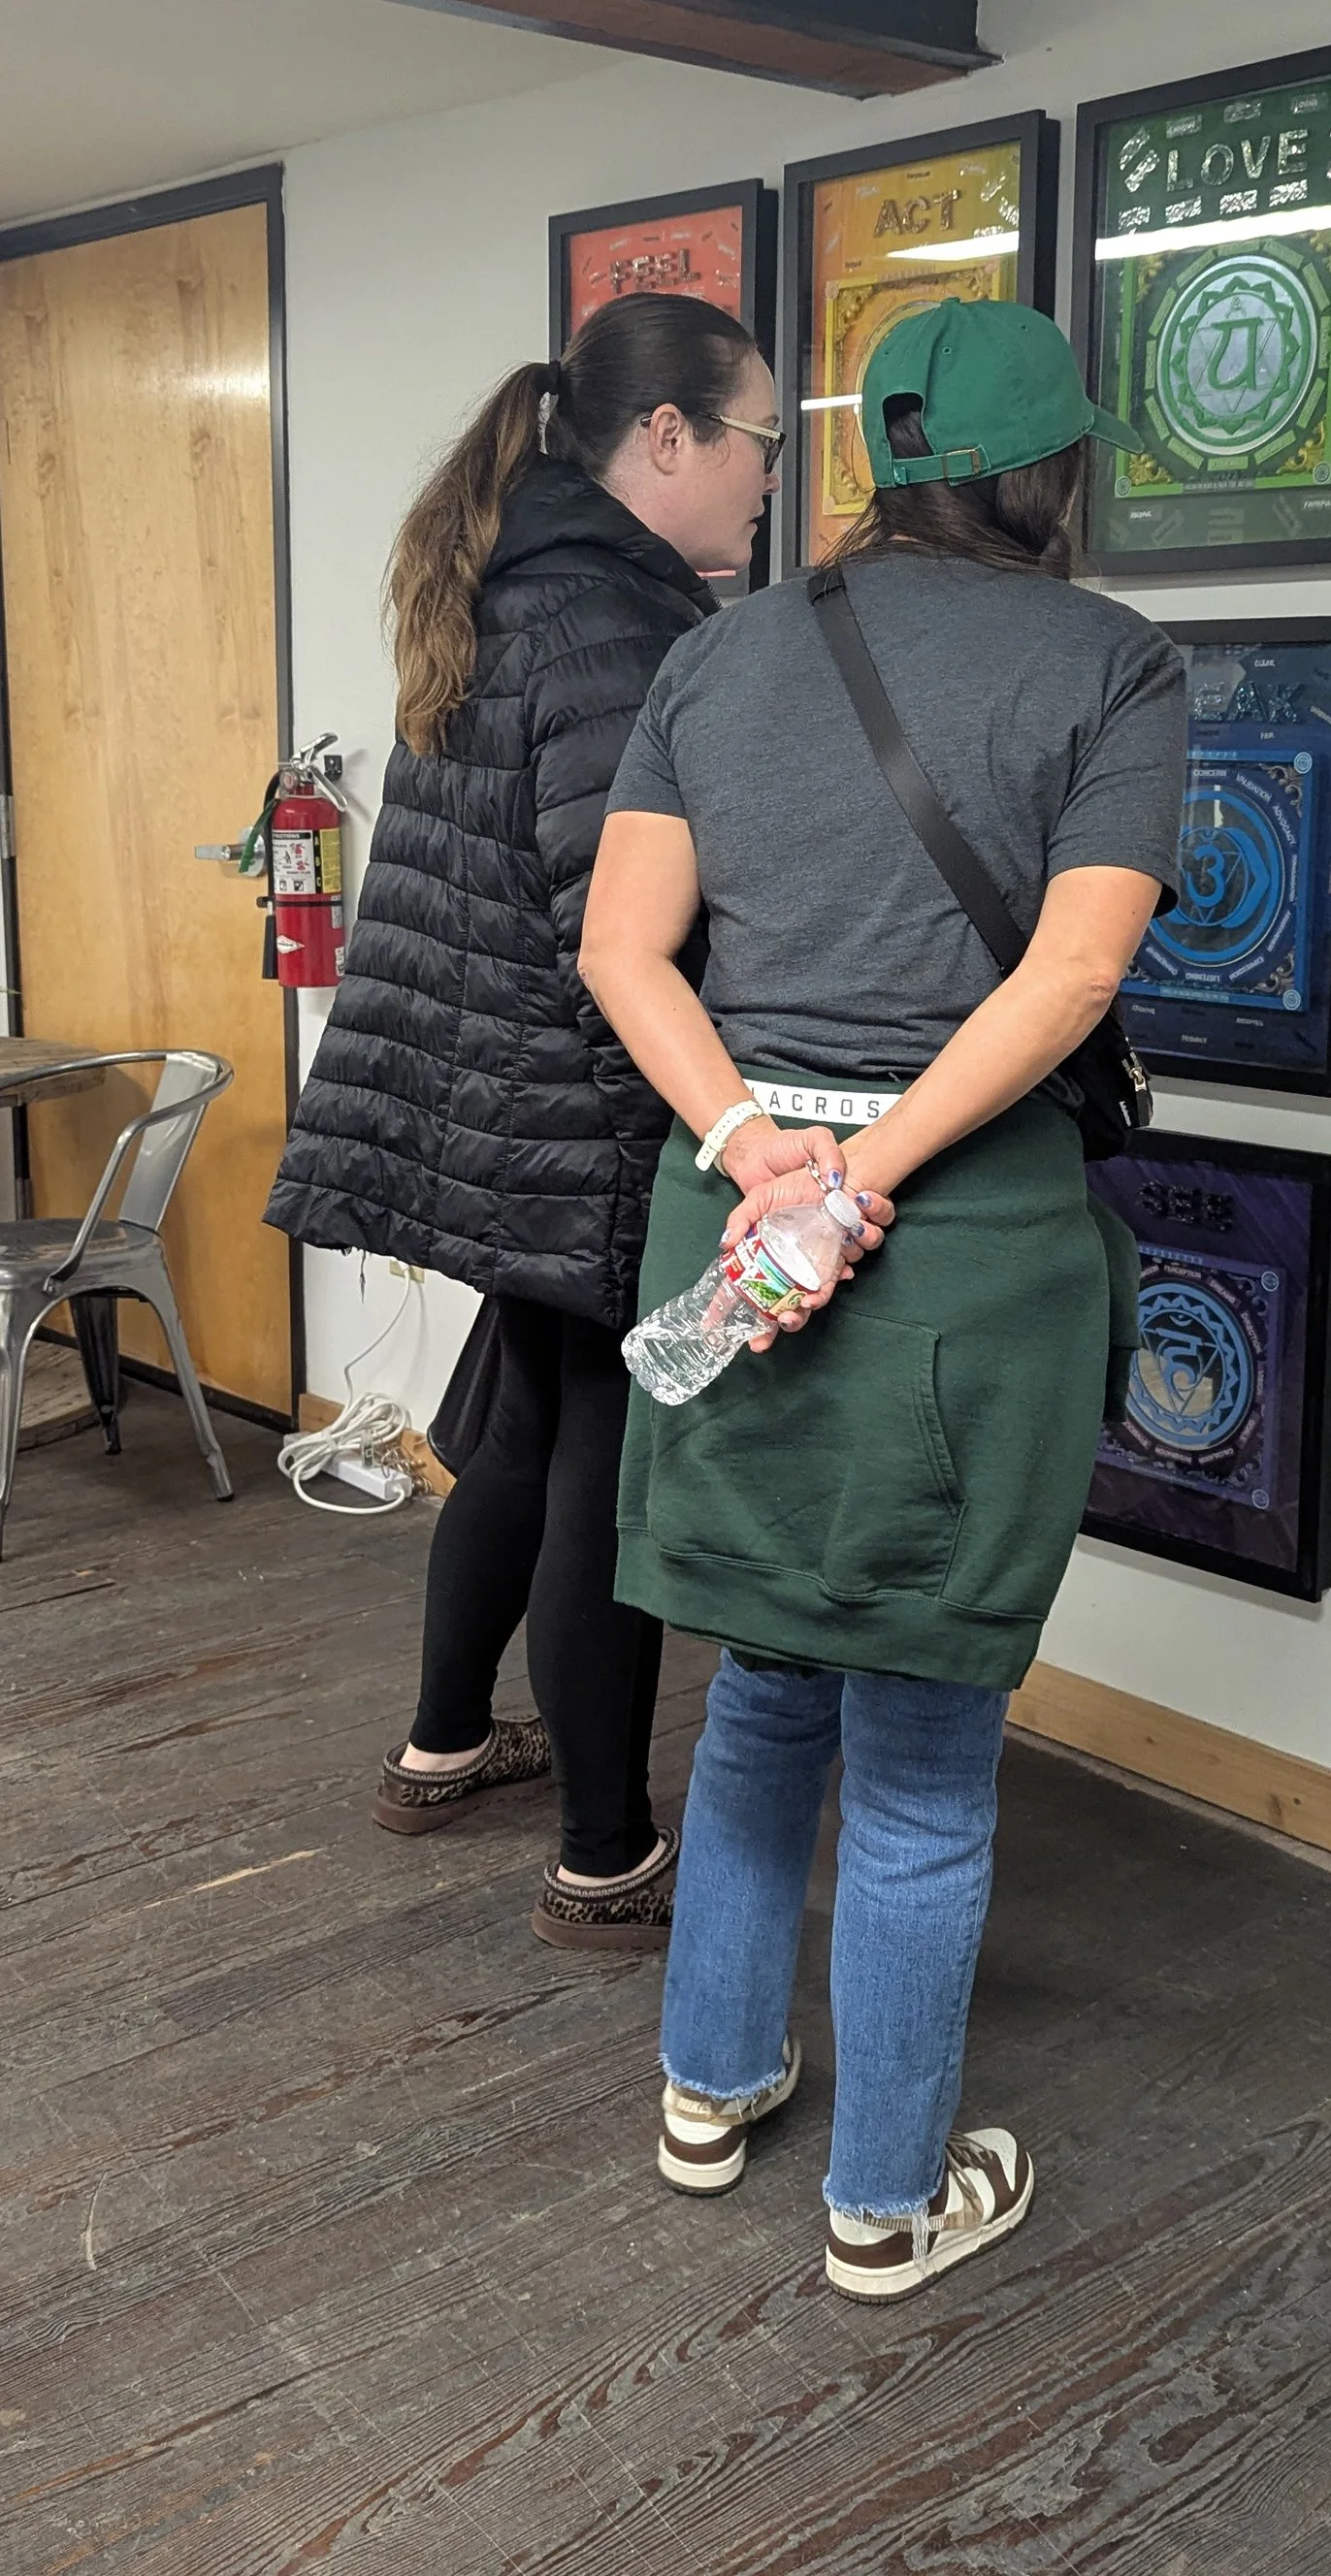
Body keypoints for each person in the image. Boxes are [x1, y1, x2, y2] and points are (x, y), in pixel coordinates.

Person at [581, 298, 1187, 2295]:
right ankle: (885, 2200)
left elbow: (624, 949)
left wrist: (763, 1149)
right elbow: (1072, 980)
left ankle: (708, 2082)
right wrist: (873, 1169)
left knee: (762, 1674)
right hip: (961, 1234)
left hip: (737, 1227)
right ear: (1048, 470)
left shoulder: (724, 646)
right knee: (924, 1741)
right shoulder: (1112, 661)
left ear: (879, 463)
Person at [267, 291, 783, 1948]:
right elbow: (608, 918)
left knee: (515, 1427)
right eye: (761, 441)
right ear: (668, 439)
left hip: (485, 1102)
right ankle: (607, 1851)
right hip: (574, 1112)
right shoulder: (618, 626)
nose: (771, 479)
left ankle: (438, 1747)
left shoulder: (513, 578)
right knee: (597, 1470)